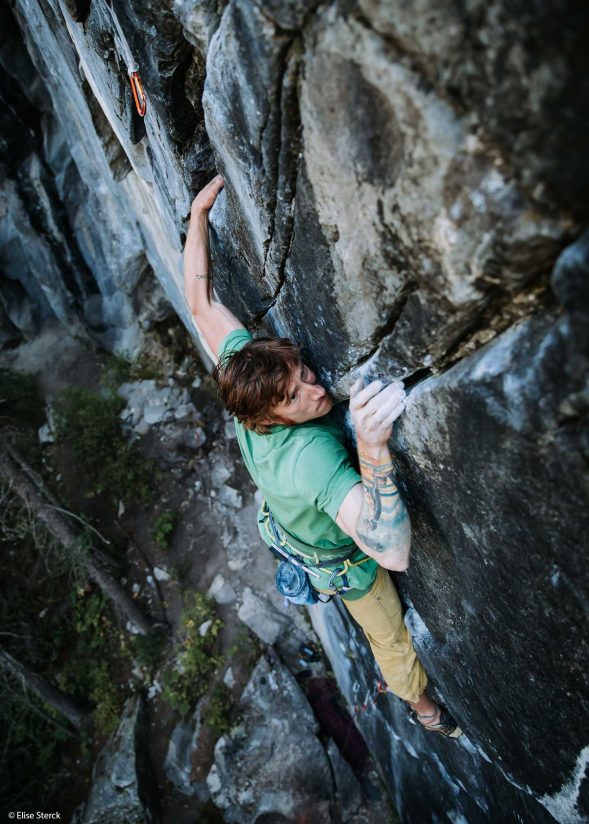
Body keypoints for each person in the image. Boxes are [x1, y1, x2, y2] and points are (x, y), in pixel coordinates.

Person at [183, 175, 462, 739]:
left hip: (285, 519)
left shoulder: (248, 369)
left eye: (303, 372)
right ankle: (423, 710)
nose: (314, 391)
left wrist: (197, 214)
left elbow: (199, 300)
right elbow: (393, 552)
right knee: (389, 636)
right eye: (295, 397)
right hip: (342, 559)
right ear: (269, 418)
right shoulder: (308, 456)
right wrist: (371, 447)